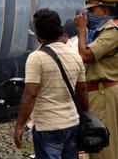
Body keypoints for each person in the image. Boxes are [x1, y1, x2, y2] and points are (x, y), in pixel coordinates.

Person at [14, 9, 88, 159]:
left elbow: (31, 94)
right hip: (72, 123)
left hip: (48, 126)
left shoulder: (36, 58)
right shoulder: (75, 55)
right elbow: (82, 90)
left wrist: (19, 125)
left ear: (38, 35)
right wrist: (85, 116)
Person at [75, 0, 118, 159]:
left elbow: (85, 55)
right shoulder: (101, 30)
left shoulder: (112, 31)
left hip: (103, 94)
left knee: (102, 148)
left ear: (105, 11)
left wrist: (81, 30)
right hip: (99, 92)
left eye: (92, 10)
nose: (87, 15)